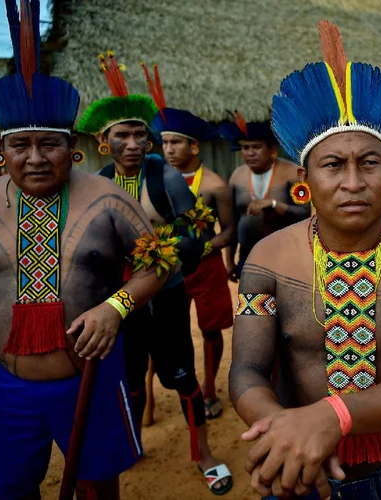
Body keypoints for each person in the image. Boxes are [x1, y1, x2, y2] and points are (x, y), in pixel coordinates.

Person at [230, 21, 381, 500]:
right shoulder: (268, 259)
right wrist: (287, 435)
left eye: (370, 163)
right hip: (298, 469)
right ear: (305, 177)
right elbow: (247, 371)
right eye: (333, 165)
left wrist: (328, 417)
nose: (353, 182)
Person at [0, 2, 170, 497]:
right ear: (0, 149)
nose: (35, 158)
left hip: (92, 379)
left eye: (49, 144)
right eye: (21, 146)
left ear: (72, 145)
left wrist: (115, 307)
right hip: (6, 385)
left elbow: (156, 265)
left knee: (99, 487)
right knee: (13, 489)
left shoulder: (111, 201)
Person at [77, 53, 232, 494]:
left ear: (149, 138)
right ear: (105, 140)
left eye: (139, 134)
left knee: (181, 375)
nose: (132, 142)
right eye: (121, 135)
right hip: (117, 304)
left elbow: (198, 232)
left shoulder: (165, 176)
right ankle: (134, 444)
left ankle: (203, 453)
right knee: (129, 378)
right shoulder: (97, 182)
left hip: (166, 294)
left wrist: (160, 250)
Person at [142, 62, 236, 420]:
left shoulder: (214, 186)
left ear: (194, 146)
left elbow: (229, 232)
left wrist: (201, 249)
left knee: (210, 330)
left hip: (206, 265)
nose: (168, 149)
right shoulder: (153, 181)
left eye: (176, 142)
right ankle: (151, 395)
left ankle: (210, 390)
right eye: (164, 142)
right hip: (164, 266)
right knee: (159, 329)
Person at [220, 111, 310, 282]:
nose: (250, 153)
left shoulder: (292, 173)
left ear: (272, 150)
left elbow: (305, 213)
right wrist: (229, 261)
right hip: (248, 255)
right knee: (252, 306)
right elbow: (232, 222)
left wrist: (274, 204)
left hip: (287, 255)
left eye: (256, 147)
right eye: (245, 148)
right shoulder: (237, 176)